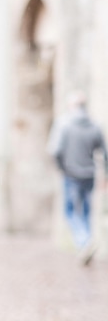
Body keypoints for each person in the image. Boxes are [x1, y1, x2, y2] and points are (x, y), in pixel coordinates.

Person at [48, 90, 107, 265]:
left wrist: (61, 167)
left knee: (71, 211)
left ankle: (84, 242)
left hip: (71, 174)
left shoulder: (64, 124)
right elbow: (104, 153)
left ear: (71, 106)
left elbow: (55, 150)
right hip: (89, 174)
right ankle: (86, 243)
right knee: (87, 211)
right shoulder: (95, 125)